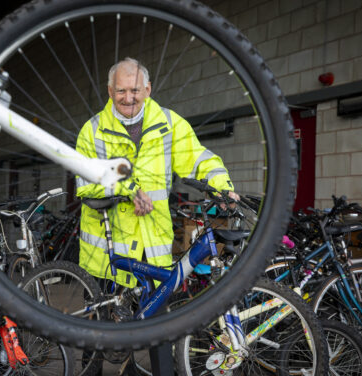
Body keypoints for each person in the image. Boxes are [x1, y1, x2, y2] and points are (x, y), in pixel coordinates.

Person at [75, 57, 239, 288]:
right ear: (110, 91)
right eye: (121, 90)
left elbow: (199, 159)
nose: (128, 97)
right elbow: (86, 183)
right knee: (102, 322)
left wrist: (222, 187)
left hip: (153, 252)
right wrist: (130, 189)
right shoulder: (92, 131)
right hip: (107, 262)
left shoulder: (170, 124)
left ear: (148, 89)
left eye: (135, 90)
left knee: (154, 320)